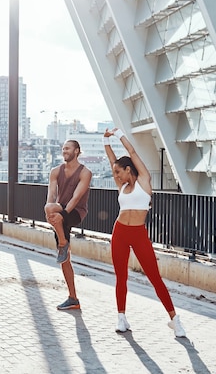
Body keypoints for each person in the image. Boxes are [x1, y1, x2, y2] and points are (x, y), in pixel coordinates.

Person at [103, 127, 186, 337]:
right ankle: (121, 317)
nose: (116, 176)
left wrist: (119, 134)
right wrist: (105, 142)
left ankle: (175, 320)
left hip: (139, 234)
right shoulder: (120, 186)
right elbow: (113, 159)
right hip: (120, 232)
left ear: (128, 169)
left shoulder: (144, 181)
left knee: (154, 277)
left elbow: (132, 154)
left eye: (118, 172)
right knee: (121, 277)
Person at [44, 140, 92, 310]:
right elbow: (51, 196)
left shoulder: (85, 172)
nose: (64, 151)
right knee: (65, 260)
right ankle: (73, 298)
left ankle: (63, 243)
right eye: (63, 148)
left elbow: (76, 197)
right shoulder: (55, 171)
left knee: (63, 247)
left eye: (68, 148)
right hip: (59, 212)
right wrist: (51, 215)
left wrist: (62, 215)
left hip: (75, 211)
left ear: (77, 151)